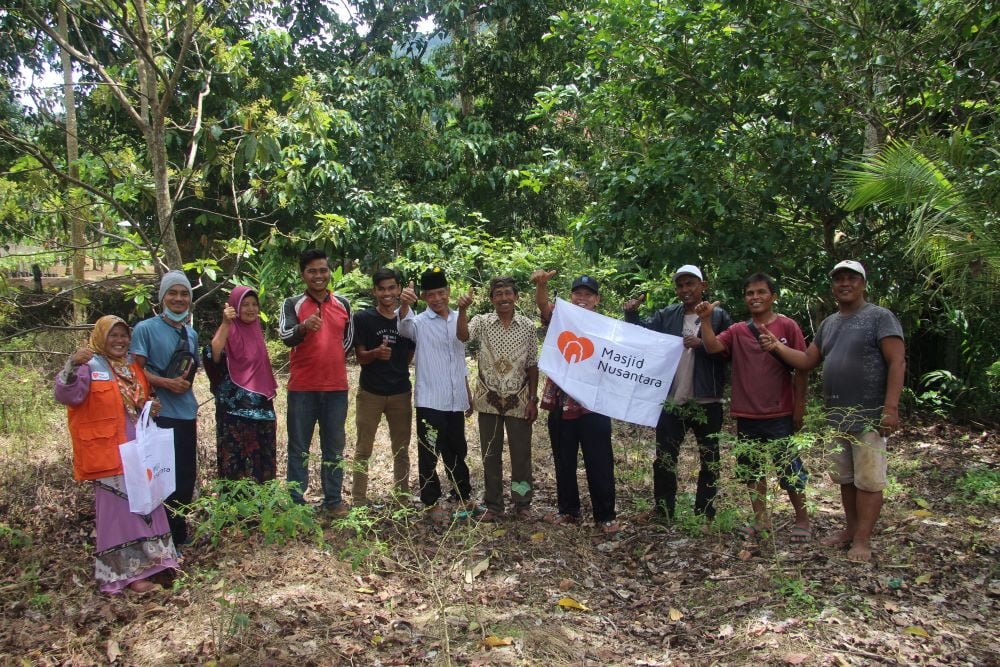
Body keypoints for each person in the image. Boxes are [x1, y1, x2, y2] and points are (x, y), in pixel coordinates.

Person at [762, 260, 905, 562]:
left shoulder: (880, 317)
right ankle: (850, 530)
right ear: (833, 286)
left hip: (870, 415)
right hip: (837, 416)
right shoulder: (830, 323)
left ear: (863, 284)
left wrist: (890, 408)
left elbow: (897, 362)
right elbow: (806, 361)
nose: (844, 284)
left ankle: (863, 540)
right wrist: (776, 346)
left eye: (851, 278)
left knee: (869, 480)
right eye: (839, 279)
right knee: (846, 478)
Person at [55, 315, 179, 594]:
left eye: (124, 335)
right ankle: (128, 575)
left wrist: (150, 406)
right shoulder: (89, 367)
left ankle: (158, 564)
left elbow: (137, 402)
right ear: (101, 337)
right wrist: (72, 364)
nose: (120, 341)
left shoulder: (132, 368)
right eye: (114, 335)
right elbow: (65, 395)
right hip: (108, 452)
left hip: (139, 450)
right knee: (121, 513)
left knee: (149, 505)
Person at [695, 273, 810, 543]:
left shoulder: (787, 326)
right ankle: (761, 519)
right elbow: (712, 347)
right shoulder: (737, 330)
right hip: (746, 413)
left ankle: (803, 519)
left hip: (779, 413)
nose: (755, 297)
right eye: (750, 293)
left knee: (789, 469)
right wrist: (705, 320)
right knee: (752, 470)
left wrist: (799, 407)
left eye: (761, 292)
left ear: (773, 296)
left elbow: (803, 366)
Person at [623, 265, 731, 522]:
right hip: (672, 400)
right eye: (681, 285)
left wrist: (703, 345)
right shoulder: (668, 315)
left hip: (708, 399)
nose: (685, 290)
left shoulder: (718, 316)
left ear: (702, 286)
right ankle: (663, 511)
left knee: (710, 458)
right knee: (665, 458)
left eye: (690, 284)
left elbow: (728, 351)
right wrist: (631, 314)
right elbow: (643, 334)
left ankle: (705, 514)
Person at [532, 269, 618, 534]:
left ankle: (605, 516)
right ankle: (568, 510)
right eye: (578, 293)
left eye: (588, 294)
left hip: (594, 404)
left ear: (597, 299)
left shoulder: (608, 328)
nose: (582, 298)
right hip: (561, 400)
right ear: (571, 296)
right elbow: (543, 306)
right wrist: (542, 284)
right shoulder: (562, 318)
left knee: (599, 460)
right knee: (564, 459)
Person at [278, 248, 354, 518]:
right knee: (299, 446)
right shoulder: (293, 304)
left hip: (336, 388)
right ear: (303, 275)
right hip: (302, 389)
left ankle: (333, 501)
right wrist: (302, 328)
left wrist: (329, 355)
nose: (319, 275)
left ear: (329, 271)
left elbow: (347, 342)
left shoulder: (343, 304)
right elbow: (285, 335)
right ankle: (296, 504)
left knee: (333, 447)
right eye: (312, 271)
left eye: (323, 270)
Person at [457, 276, 540, 522]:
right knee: (490, 455)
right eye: (498, 294)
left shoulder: (527, 326)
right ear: (491, 299)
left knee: (521, 455)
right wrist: (462, 310)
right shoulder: (482, 322)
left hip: (520, 400)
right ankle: (494, 505)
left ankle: (522, 503)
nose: (504, 298)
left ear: (516, 296)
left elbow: (533, 365)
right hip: (488, 399)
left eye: (508, 293)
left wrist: (533, 399)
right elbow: (462, 336)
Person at [398, 267, 474, 523]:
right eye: (430, 294)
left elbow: (462, 344)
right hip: (430, 400)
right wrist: (404, 304)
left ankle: (463, 494)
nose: (437, 298)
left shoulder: (457, 318)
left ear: (448, 292)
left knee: (457, 449)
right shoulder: (418, 323)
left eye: (441, 292)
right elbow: (403, 328)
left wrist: (467, 393)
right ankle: (430, 502)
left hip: (455, 400)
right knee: (429, 452)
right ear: (424, 297)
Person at [130, 269, 199, 546]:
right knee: (161, 479)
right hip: (160, 415)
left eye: (184, 294)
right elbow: (133, 370)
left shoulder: (191, 333)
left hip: (186, 413)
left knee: (184, 478)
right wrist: (165, 383)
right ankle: (161, 537)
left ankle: (179, 536)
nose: (179, 299)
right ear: (162, 297)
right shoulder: (145, 330)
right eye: (173, 293)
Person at [351, 268, 415, 506]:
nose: (387, 293)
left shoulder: (407, 319)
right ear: (374, 291)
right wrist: (376, 353)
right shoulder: (363, 319)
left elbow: (410, 353)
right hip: (370, 393)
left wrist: (395, 367)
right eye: (381, 289)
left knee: (401, 449)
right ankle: (358, 499)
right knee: (363, 448)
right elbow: (361, 357)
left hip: (400, 392)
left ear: (399, 289)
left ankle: (402, 498)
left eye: (391, 288)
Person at [205, 286, 278, 483]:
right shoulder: (228, 330)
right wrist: (225, 323)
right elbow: (214, 354)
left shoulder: (256, 333)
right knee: (236, 467)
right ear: (235, 306)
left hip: (262, 410)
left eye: (254, 304)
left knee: (262, 464)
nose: (251, 308)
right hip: (234, 414)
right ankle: (237, 511)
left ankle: (261, 510)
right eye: (245, 304)